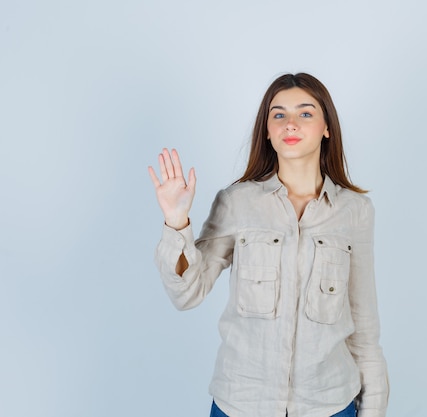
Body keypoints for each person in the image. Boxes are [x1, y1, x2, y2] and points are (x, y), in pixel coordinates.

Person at [148, 73, 389, 417]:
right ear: (267, 130)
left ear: (326, 128)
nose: (290, 123)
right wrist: (176, 221)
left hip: (331, 405)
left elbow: (364, 329)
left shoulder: (355, 212)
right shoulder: (236, 202)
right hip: (241, 404)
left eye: (305, 113)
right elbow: (188, 294)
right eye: (278, 115)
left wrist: (374, 408)